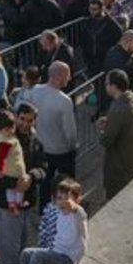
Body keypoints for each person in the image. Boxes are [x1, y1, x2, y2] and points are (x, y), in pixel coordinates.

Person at [0, 107, 44, 264]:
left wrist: (32, 177)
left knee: (22, 244)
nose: (25, 124)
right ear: (15, 117)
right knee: (9, 248)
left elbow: (43, 165)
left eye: (30, 120)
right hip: (5, 205)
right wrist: (11, 182)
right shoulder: (1, 137)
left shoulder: (35, 139)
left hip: (27, 201)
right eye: (22, 119)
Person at [4, 177, 88, 264]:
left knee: (39, 256)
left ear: (76, 200)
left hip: (67, 263)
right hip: (56, 253)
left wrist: (74, 207)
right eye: (60, 198)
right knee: (26, 253)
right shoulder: (60, 212)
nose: (63, 203)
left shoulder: (77, 216)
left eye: (67, 199)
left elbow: (80, 213)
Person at [32, 61, 78, 202]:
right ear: (58, 77)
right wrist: (73, 147)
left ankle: (44, 211)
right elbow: (70, 132)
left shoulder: (34, 91)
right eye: (67, 75)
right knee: (67, 184)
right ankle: (69, 207)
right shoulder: (64, 101)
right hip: (61, 151)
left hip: (41, 148)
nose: (69, 78)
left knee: (46, 182)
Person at [97, 70, 133, 199]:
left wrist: (102, 131)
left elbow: (106, 141)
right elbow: (129, 121)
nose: (105, 86)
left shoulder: (118, 108)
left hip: (120, 165)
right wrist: (111, 121)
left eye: (107, 83)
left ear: (114, 86)